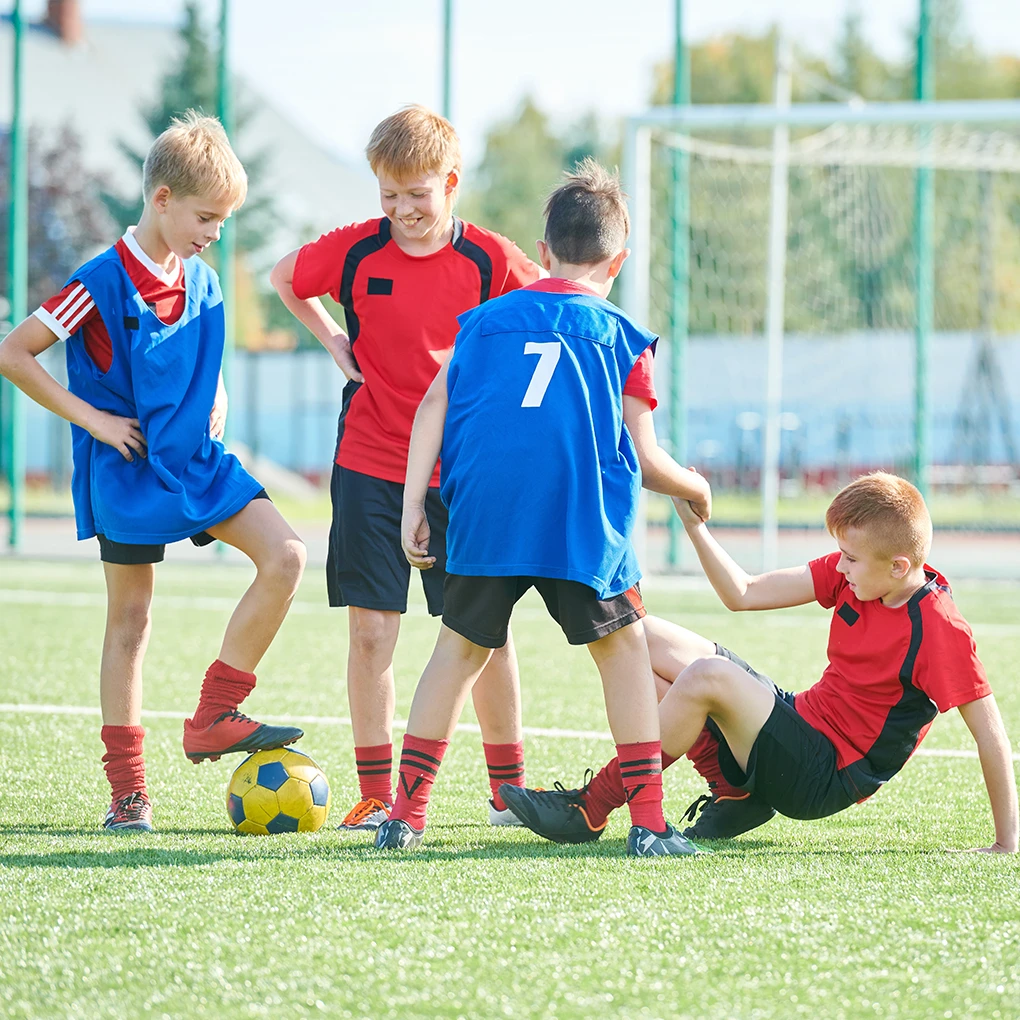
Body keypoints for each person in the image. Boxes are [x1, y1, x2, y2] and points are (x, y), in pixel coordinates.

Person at [373, 159, 714, 856]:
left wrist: (414, 501)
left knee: (458, 649)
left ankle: (405, 816)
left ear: (545, 253)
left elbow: (433, 403)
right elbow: (648, 463)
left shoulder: (482, 323)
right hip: (577, 517)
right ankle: (648, 824)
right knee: (622, 651)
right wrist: (693, 486)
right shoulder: (622, 336)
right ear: (618, 260)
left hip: (484, 509)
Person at [0, 113, 307, 833]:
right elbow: (15, 353)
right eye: (206, 216)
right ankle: (129, 792)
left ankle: (213, 714)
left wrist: (221, 396)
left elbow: (205, 359)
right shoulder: (98, 280)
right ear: (162, 199)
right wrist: (96, 423)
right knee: (131, 623)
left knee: (287, 556)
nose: (215, 233)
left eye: (225, 220)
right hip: (129, 472)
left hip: (195, 462)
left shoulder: (203, 281)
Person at [499, 473, 1019, 855]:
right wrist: (692, 523)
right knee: (637, 635)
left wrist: (1007, 842)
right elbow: (743, 593)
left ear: (900, 566)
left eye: (851, 559)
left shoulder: (939, 627)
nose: (839, 565)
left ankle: (593, 805)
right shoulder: (857, 572)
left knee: (707, 676)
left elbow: (990, 732)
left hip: (825, 775)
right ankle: (734, 791)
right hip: (799, 726)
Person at [270, 105, 542, 831]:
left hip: (464, 475)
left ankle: (505, 790)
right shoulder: (357, 252)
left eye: (417, 193)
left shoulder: (491, 259)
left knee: (483, 633)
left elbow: (552, 306)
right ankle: (372, 791)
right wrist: (332, 339)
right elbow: (283, 277)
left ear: (450, 183)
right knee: (371, 633)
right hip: (369, 463)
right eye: (388, 195)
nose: (401, 210)